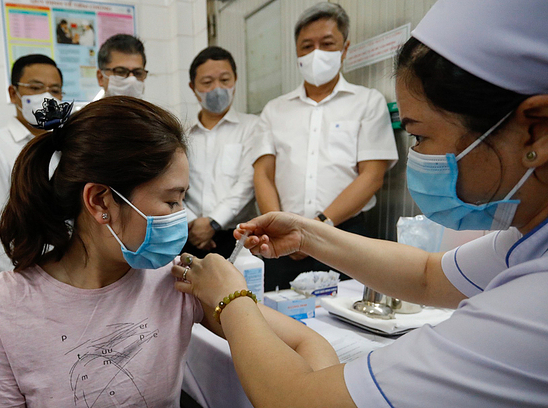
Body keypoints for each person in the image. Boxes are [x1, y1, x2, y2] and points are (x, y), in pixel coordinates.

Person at [172, 0, 548, 406]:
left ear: (536, 133)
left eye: (420, 138)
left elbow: (298, 399)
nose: (417, 158)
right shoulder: (525, 242)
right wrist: (306, 233)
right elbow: (426, 275)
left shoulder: (534, 305)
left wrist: (231, 297)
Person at [0, 96, 332, 407]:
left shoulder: (179, 281)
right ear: (100, 201)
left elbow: (307, 343)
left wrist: (234, 298)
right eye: (171, 202)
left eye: (183, 199)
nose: (181, 218)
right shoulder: (1, 310)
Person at [251, 3, 398, 290]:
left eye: (327, 43)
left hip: (344, 237)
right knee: (279, 320)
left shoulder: (367, 102)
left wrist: (316, 229)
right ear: (296, 52)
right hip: (281, 243)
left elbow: (372, 175)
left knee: (346, 322)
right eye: (307, 45)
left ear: (344, 49)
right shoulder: (274, 110)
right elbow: (263, 174)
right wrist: (280, 228)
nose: (316, 52)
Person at [0, 54, 63, 278]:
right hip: (23, 277)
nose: (46, 97)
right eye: (36, 88)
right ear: (14, 94)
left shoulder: (65, 144)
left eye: (54, 90)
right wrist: (15, 288)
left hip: (67, 272)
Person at [183, 46, 259, 259]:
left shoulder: (253, 127)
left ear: (235, 80)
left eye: (225, 80)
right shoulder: (181, 134)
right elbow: (170, 185)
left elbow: (248, 183)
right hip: (189, 237)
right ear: (193, 86)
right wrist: (191, 223)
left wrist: (213, 222)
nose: (217, 88)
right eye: (207, 83)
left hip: (236, 237)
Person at [95, 34, 147, 99]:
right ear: (100, 77)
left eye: (137, 73)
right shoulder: (91, 109)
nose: (131, 80)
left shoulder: (153, 109)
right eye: (121, 72)